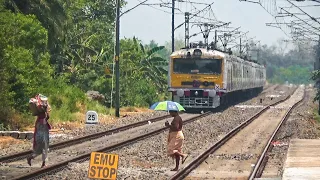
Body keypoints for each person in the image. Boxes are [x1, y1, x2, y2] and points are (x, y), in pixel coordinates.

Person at [27, 102, 51, 168]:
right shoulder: (43, 120)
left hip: (38, 137)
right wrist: (47, 111)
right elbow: (47, 117)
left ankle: (30, 157)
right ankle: (43, 164)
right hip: (43, 138)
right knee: (44, 149)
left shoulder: (38, 120)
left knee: (39, 151)